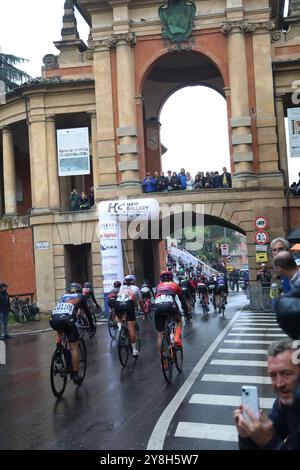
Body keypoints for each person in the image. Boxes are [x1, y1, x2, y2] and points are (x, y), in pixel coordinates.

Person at [234, 338, 300, 450]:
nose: (279, 383)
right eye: (273, 375)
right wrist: (248, 436)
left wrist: (267, 441)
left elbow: (269, 441)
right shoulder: (283, 402)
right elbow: (269, 437)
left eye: (286, 373)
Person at [49, 282, 93, 384]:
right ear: (79, 290)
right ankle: (76, 374)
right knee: (74, 348)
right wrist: (91, 325)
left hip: (53, 319)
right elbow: (87, 313)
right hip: (68, 320)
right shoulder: (81, 296)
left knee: (59, 328)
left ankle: (59, 347)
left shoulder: (63, 296)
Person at [154, 271, 185, 355]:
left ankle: (162, 360)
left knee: (160, 335)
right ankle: (176, 339)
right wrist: (186, 311)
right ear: (171, 278)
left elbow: (155, 298)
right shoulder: (175, 285)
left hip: (158, 307)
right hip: (171, 306)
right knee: (179, 320)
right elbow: (182, 299)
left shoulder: (158, 287)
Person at [114, 274, 144, 357]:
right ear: (133, 281)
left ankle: (120, 327)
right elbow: (140, 301)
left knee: (118, 316)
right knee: (131, 328)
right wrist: (143, 310)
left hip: (118, 304)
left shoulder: (121, 287)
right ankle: (134, 350)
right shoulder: (136, 288)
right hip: (128, 305)